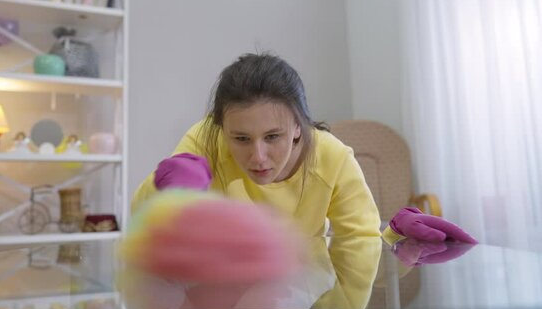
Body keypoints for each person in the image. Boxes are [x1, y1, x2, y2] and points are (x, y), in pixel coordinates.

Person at [132, 53, 477, 243]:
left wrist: (400, 238)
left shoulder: (331, 156)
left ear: (299, 126)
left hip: (301, 291)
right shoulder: (205, 138)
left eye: (273, 136)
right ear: (222, 128)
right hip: (217, 287)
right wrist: (161, 188)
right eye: (240, 139)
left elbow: (359, 243)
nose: (258, 157)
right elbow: (143, 224)